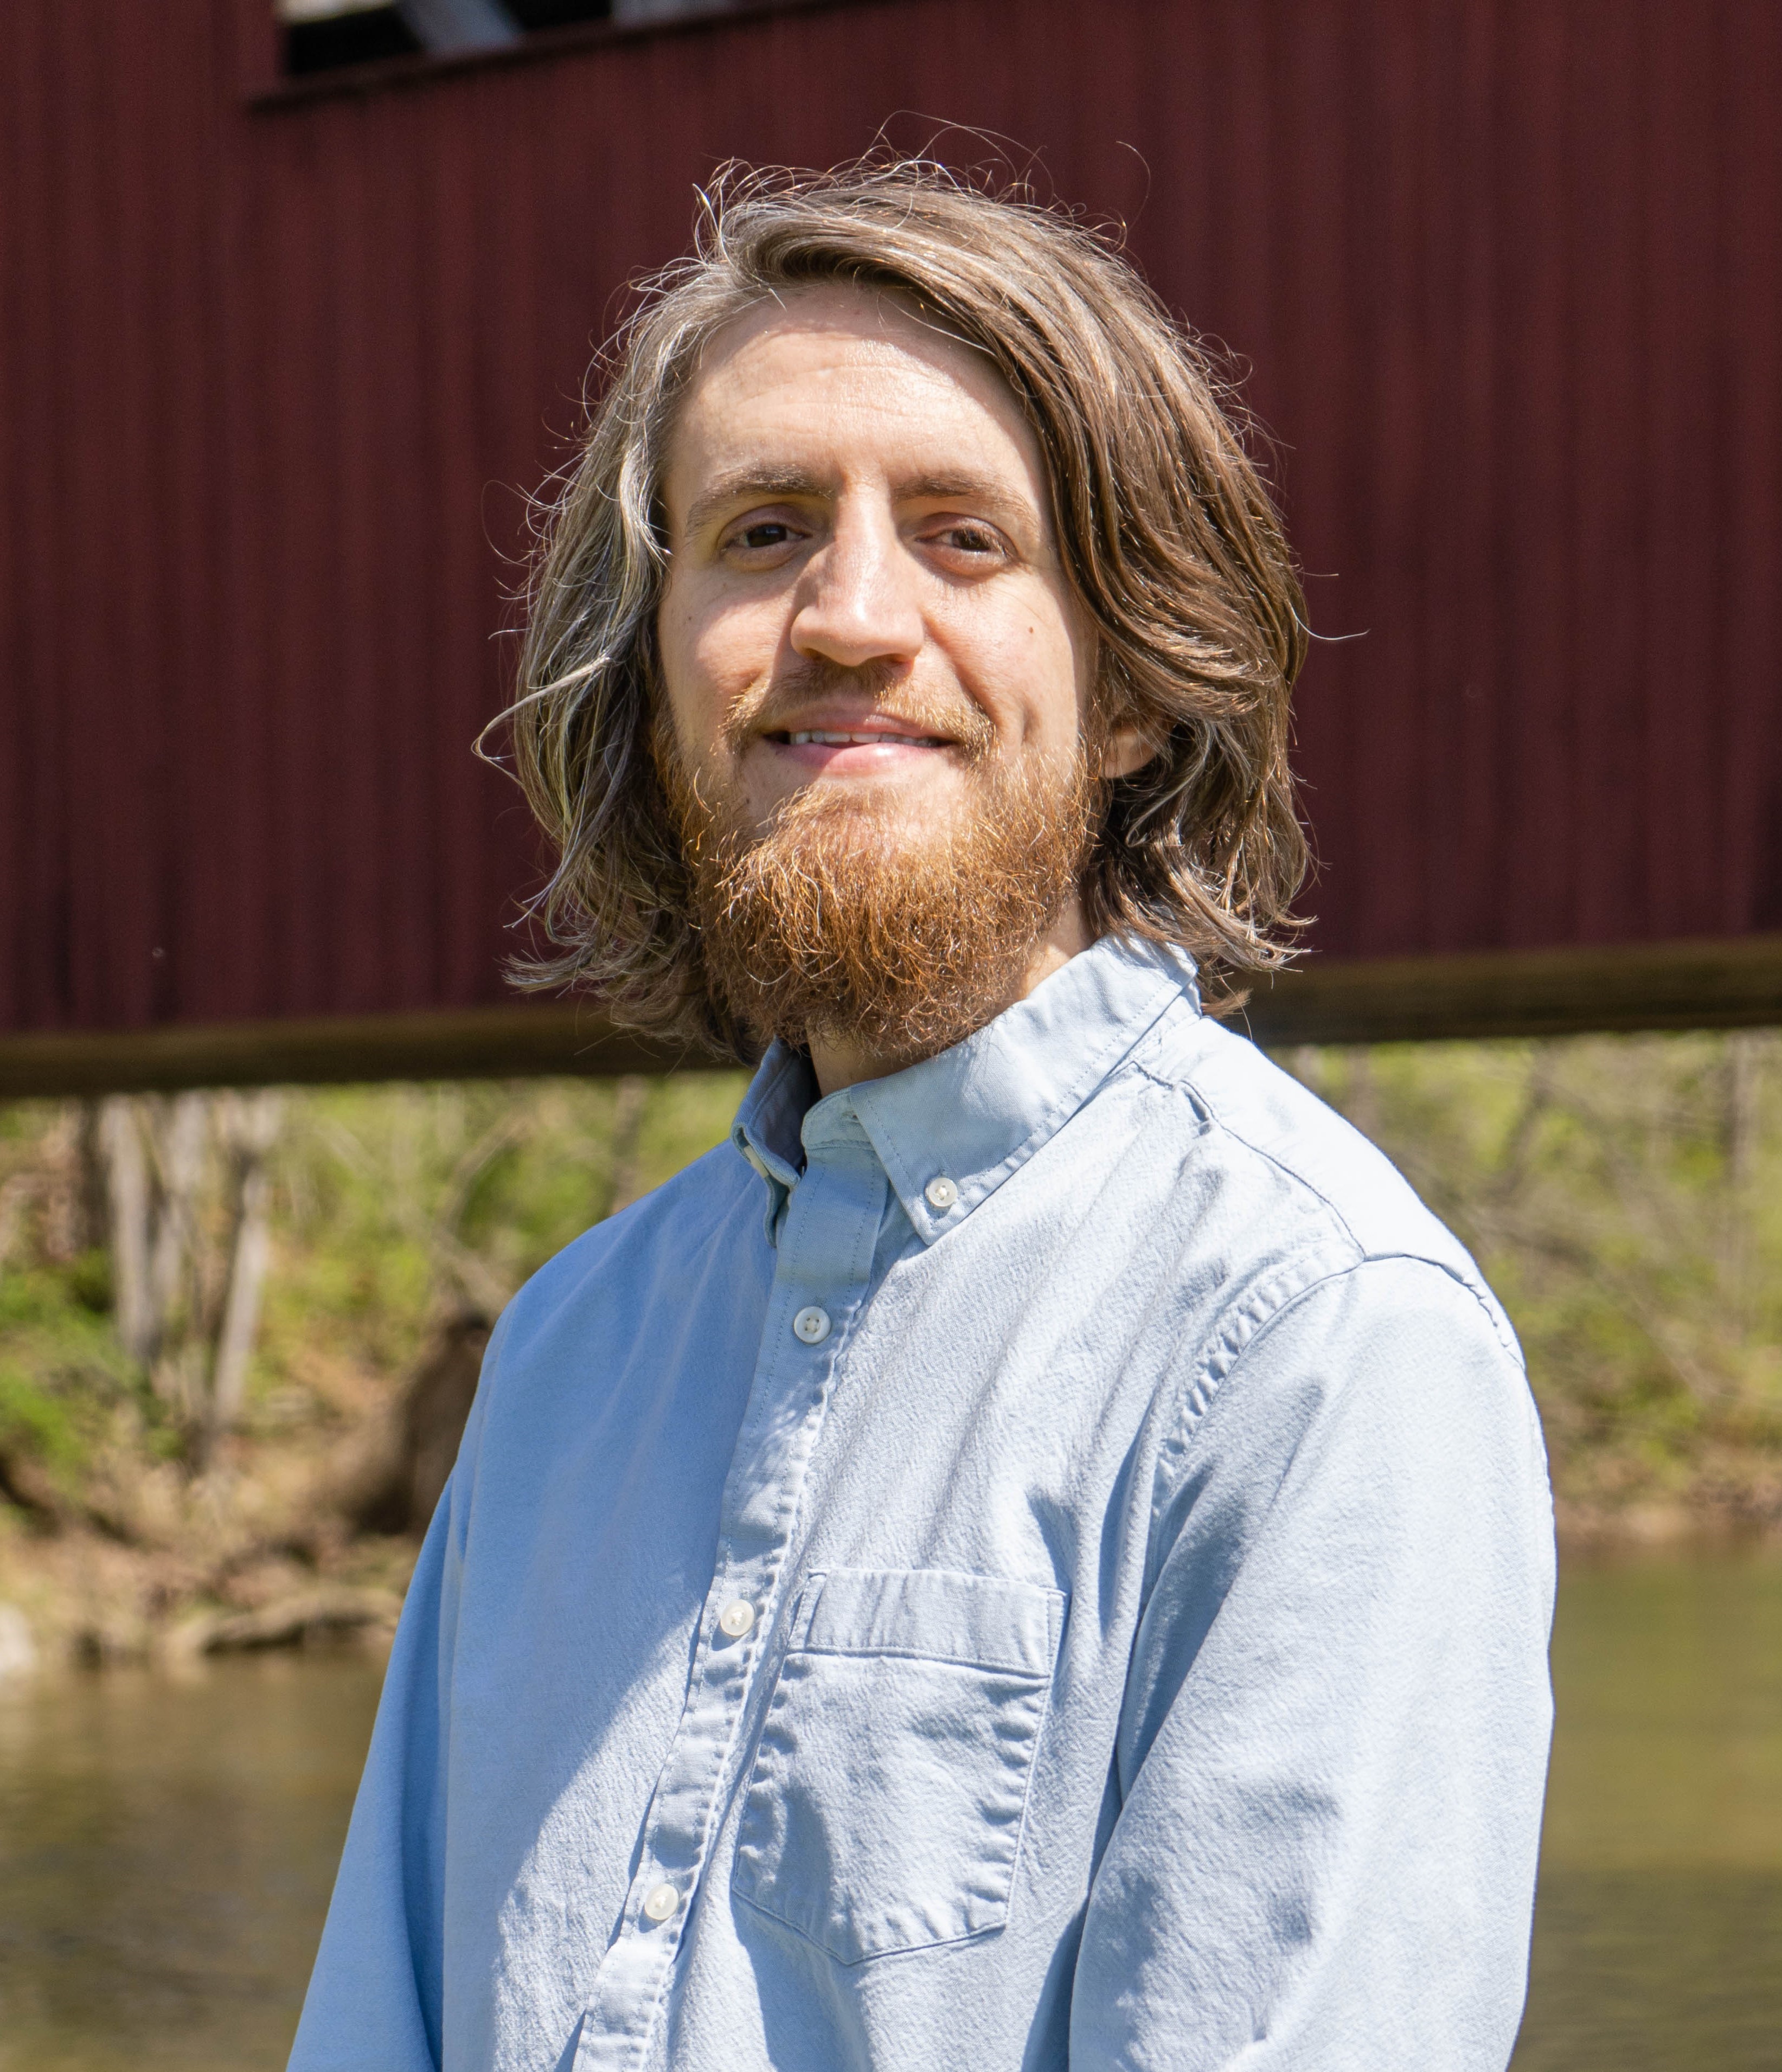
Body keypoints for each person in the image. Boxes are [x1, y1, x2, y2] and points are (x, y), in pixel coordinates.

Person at [289, 162, 1554, 2072]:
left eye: (964, 539)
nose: (850, 619)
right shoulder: (565, 1355)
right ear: (653, 678)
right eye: (765, 529)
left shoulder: (1322, 1343)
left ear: (1134, 686)